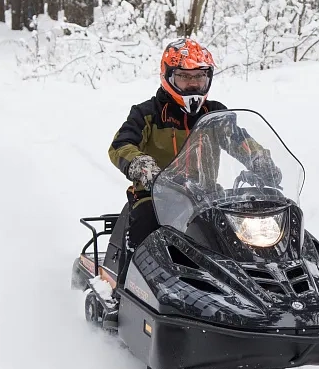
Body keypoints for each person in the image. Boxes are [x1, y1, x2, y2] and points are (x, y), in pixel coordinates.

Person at [108, 37, 279, 249]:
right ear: (168, 76)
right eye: (184, 77)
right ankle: (126, 279)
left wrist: (259, 159)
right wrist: (144, 167)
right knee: (145, 227)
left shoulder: (214, 114)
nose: (193, 83)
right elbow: (120, 145)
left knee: (242, 239)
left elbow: (238, 140)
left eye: (199, 76)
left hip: (206, 198)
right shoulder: (147, 113)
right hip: (157, 198)